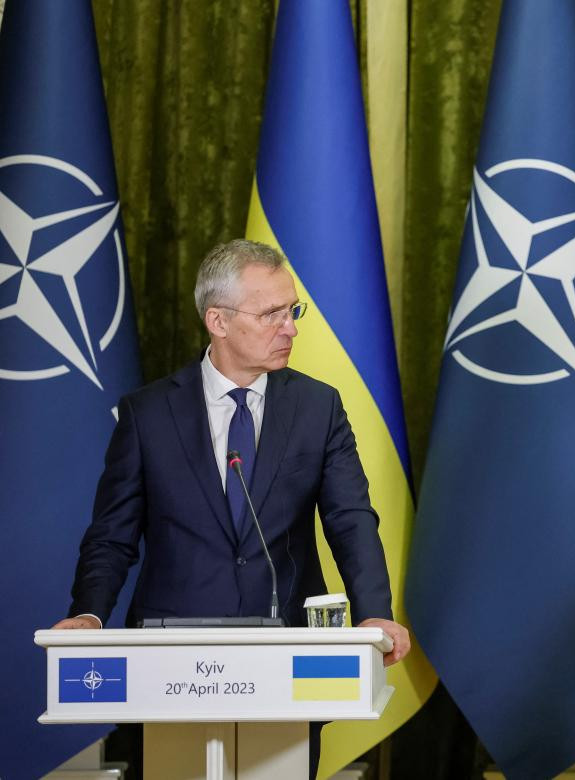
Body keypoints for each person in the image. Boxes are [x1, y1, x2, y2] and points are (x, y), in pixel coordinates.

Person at [53, 239, 410, 770]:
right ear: (217, 321)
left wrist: (374, 613)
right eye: (272, 314)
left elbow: (351, 520)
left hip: (288, 661)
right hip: (167, 667)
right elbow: (113, 534)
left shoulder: (318, 407)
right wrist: (88, 613)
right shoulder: (148, 414)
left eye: (293, 311)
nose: (290, 326)